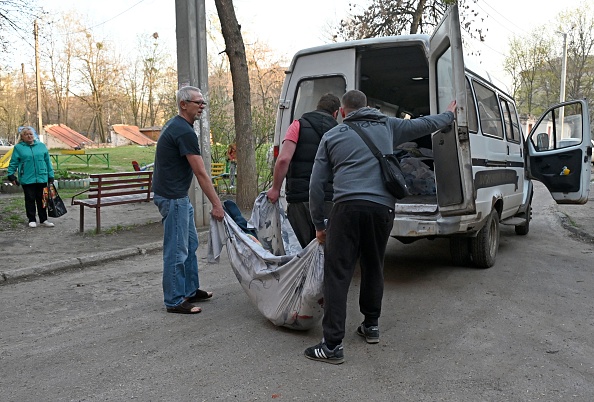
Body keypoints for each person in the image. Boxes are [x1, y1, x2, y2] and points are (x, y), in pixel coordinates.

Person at [304, 90, 456, 364]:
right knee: (374, 264)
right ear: (370, 107)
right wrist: (449, 114)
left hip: (346, 209)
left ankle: (332, 345)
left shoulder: (333, 135)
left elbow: (316, 185)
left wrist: (318, 223)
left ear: (342, 112)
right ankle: (371, 325)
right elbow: (426, 124)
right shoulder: (389, 125)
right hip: (382, 209)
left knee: (338, 274)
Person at [152, 86, 225, 315]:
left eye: (203, 102)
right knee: (176, 250)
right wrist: (216, 204)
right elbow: (201, 172)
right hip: (173, 198)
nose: (202, 106)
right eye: (198, 102)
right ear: (184, 104)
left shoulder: (179, 126)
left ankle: (190, 289)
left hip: (178, 196)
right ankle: (174, 300)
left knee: (190, 244)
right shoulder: (183, 131)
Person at [266, 93, 341, 248]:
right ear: (336, 113)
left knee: (299, 250)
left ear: (317, 107)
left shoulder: (297, 125)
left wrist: (275, 189)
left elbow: (283, 159)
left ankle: (303, 273)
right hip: (328, 199)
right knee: (326, 249)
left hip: (300, 199)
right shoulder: (340, 132)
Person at [7, 126, 55, 228]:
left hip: (42, 176)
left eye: (31, 134)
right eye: (26, 134)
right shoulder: (18, 148)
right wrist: (11, 175)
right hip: (27, 177)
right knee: (30, 199)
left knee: (42, 199)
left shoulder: (41, 146)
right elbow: (14, 162)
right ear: (22, 137)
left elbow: (48, 162)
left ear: (34, 135)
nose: (29, 136)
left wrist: (51, 175)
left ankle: (44, 219)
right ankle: (32, 219)